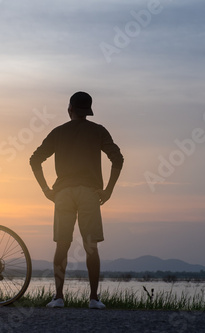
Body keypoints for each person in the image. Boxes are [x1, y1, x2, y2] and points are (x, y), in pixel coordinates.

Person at [30, 91, 124, 309]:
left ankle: (59, 297)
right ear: (88, 111)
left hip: (63, 193)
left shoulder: (58, 132)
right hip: (89, 193)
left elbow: (35, 160)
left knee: (62, 244)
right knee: (91, 246)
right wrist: (108, 190)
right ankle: (93, 299)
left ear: (69, 109)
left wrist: (45, 188)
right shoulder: (98, 131)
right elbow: (117, 158)